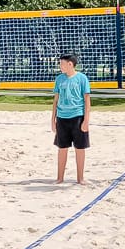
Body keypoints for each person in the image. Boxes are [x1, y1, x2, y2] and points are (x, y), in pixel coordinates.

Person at [51, 54, 91, 184]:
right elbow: (55, 100)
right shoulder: (59, 79)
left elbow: (87, 100)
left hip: (78, 116)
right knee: (62, 148)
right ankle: (60, 178)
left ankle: (80, 178)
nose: (60, 66)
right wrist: (53, 120)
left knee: (80, 148)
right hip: (62, 118)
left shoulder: (82, 78)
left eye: (61, 64)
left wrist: (86, 120)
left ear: (70, 64)